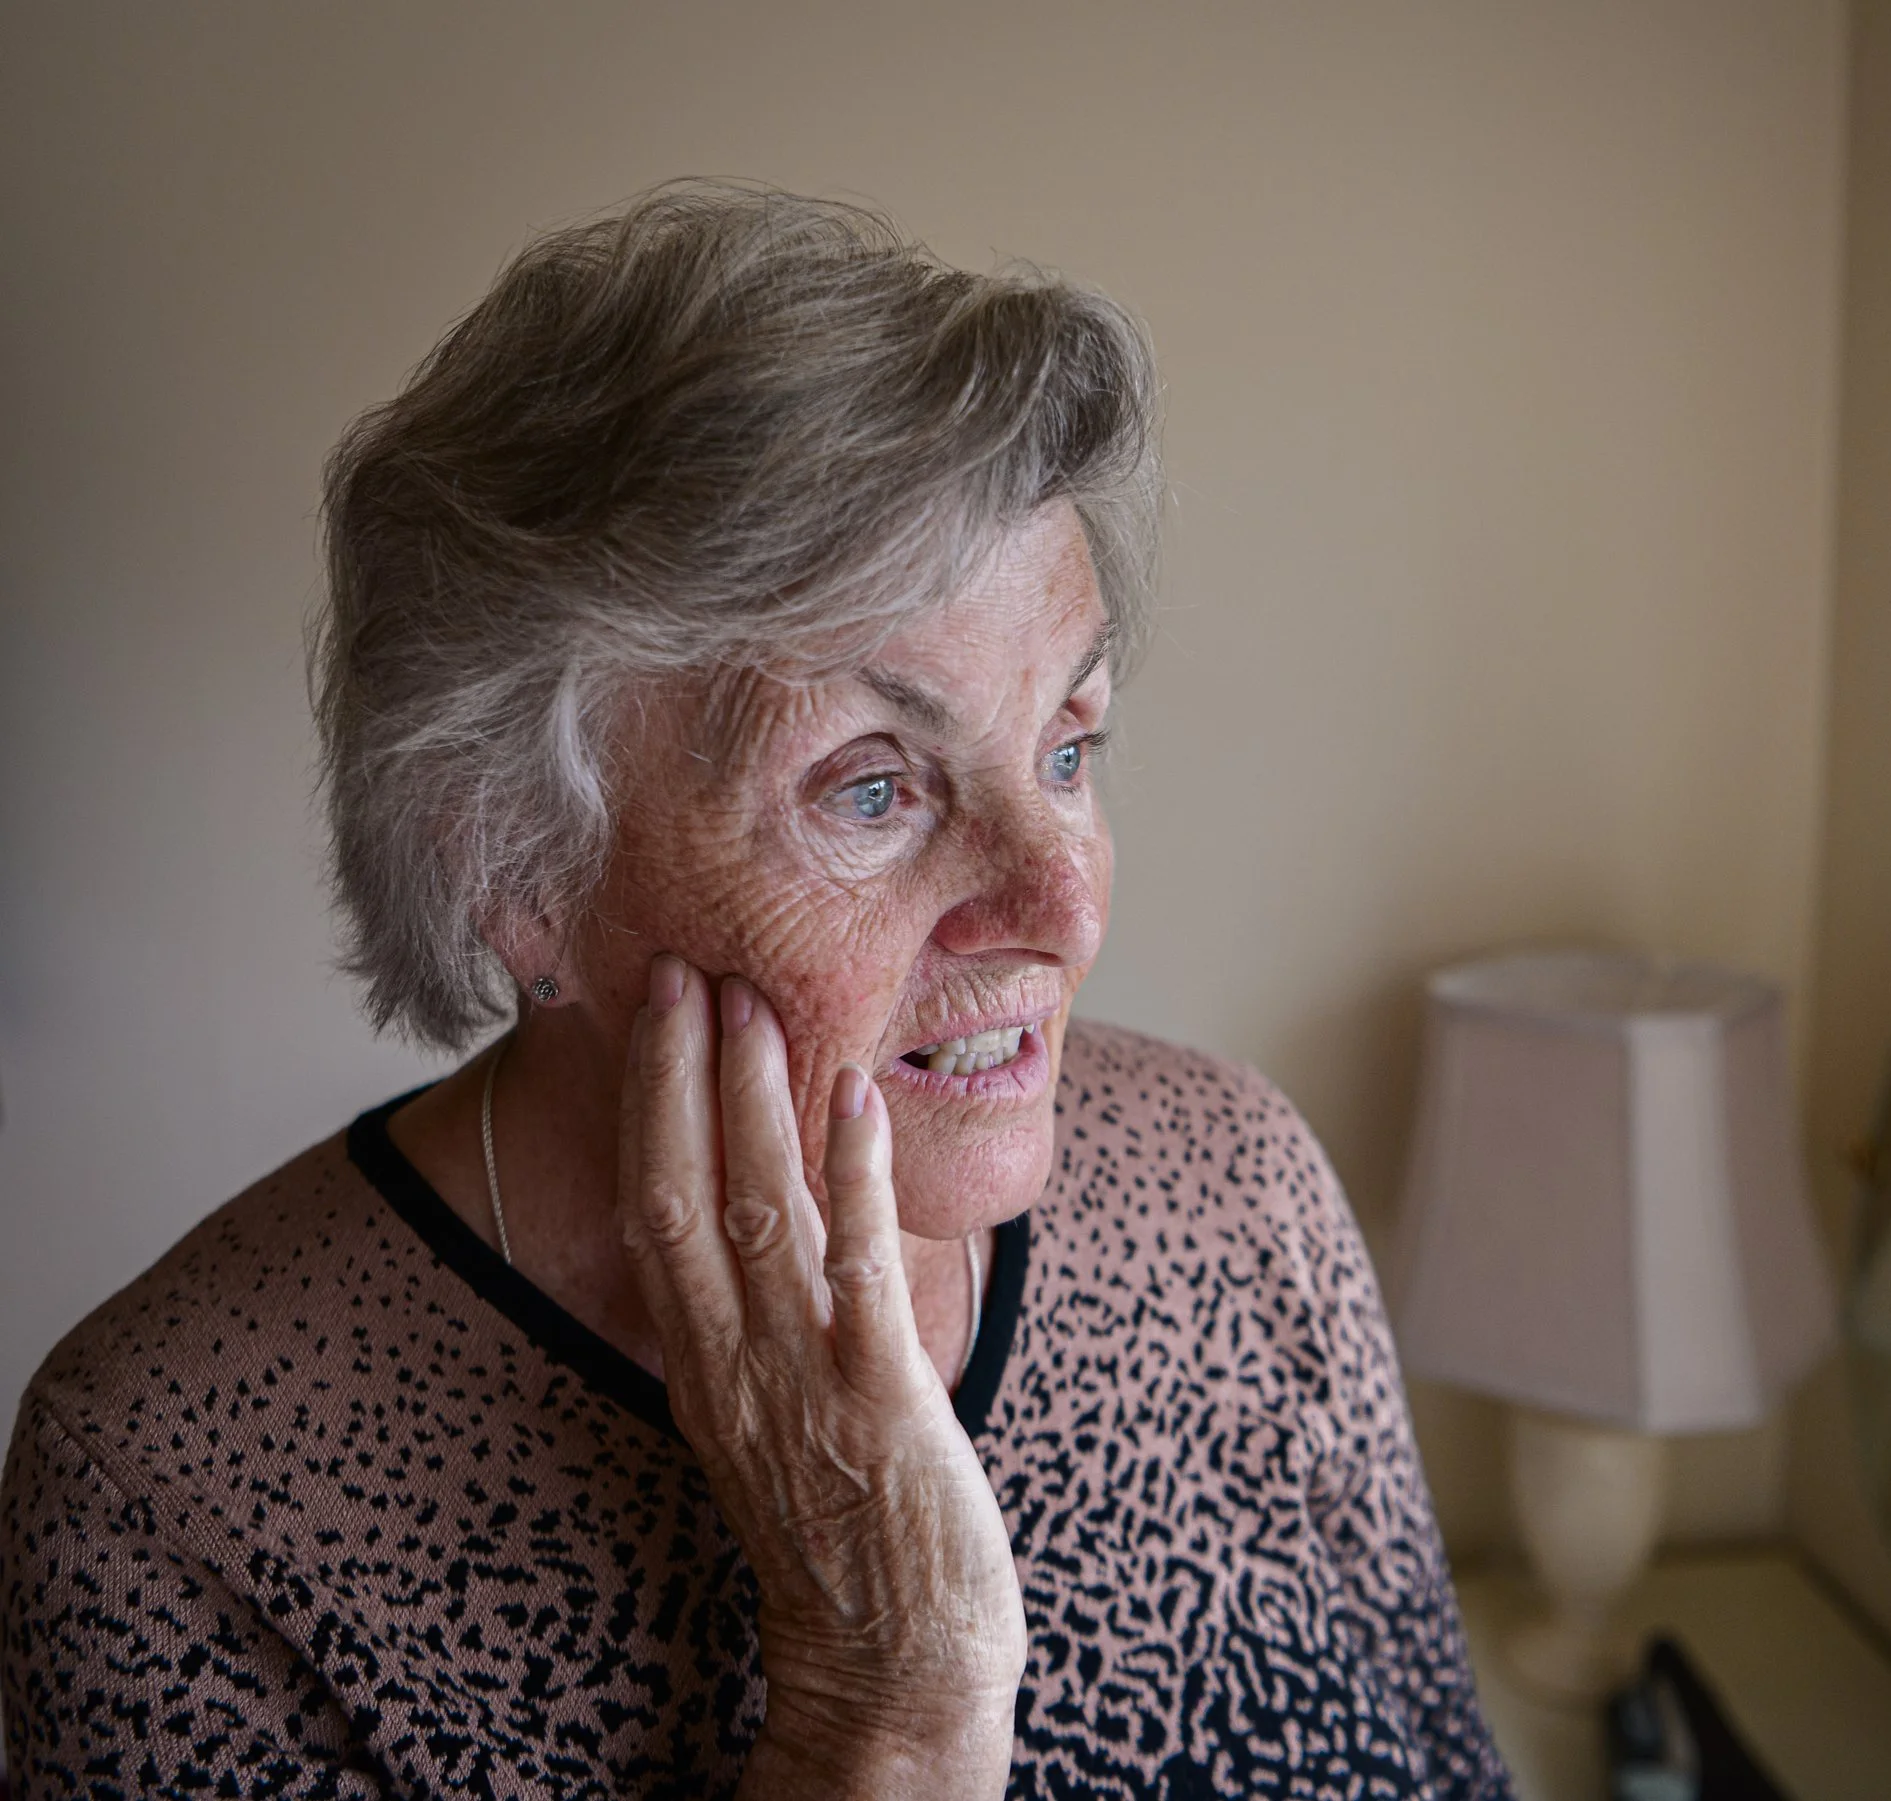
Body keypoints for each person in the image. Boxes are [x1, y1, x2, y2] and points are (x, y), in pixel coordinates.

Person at [0, 184, 1509, 1800]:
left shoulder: (1235, 1192)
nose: (1062, 909)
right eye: (873, 789)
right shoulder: (172, 1493)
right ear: (517, 871)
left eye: (1068, 751)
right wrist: (884, 1709)